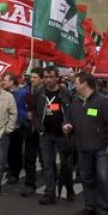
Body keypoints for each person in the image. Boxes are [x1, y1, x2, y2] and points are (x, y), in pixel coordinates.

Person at [64, 72, 108, 215]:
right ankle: (90, 207)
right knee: (87, 178)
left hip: (102, 148)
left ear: (84, 84)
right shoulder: (76, 100)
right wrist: (66, 126)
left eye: (76, 82)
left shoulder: (104, 102)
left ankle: (103, 211)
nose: (74, 85)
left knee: (103, 179)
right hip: (82, 147)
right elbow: (68, 118)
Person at [35, 66, 75, 205]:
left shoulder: (65, 92)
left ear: (57, 77)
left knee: (66, 165)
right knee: (47, 164)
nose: (48, 80)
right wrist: (38, 126)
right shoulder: (39, 92)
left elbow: (70, 111)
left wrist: (68, 124)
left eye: (51, 77)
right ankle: (49, 193)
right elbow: (35, 111)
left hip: (62, 135)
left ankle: (69, 188)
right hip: (46, 134)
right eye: (46, 77)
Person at [20, 68, 44, 197]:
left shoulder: (46, 92)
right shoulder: (25, 91)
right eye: (32, 77)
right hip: (29, 129)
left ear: (41, 78)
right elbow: (19, 107)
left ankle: (51, 182)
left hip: (42, 130)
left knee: (45, 158)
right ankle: (30, 184)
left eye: (35, 77)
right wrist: (26, 114)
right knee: (29, 158)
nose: (32, 80)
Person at [4, 72, 29, 186]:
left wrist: (21, 121)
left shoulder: (21, 93)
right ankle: (11, 169)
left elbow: (23, 109)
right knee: (9, 150)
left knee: (16, 150)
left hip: (18, 126)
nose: (3, 82)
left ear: (11, 82)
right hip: (7, 125)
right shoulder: (5, 94)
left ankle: (15, 173)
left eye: (5, 80)